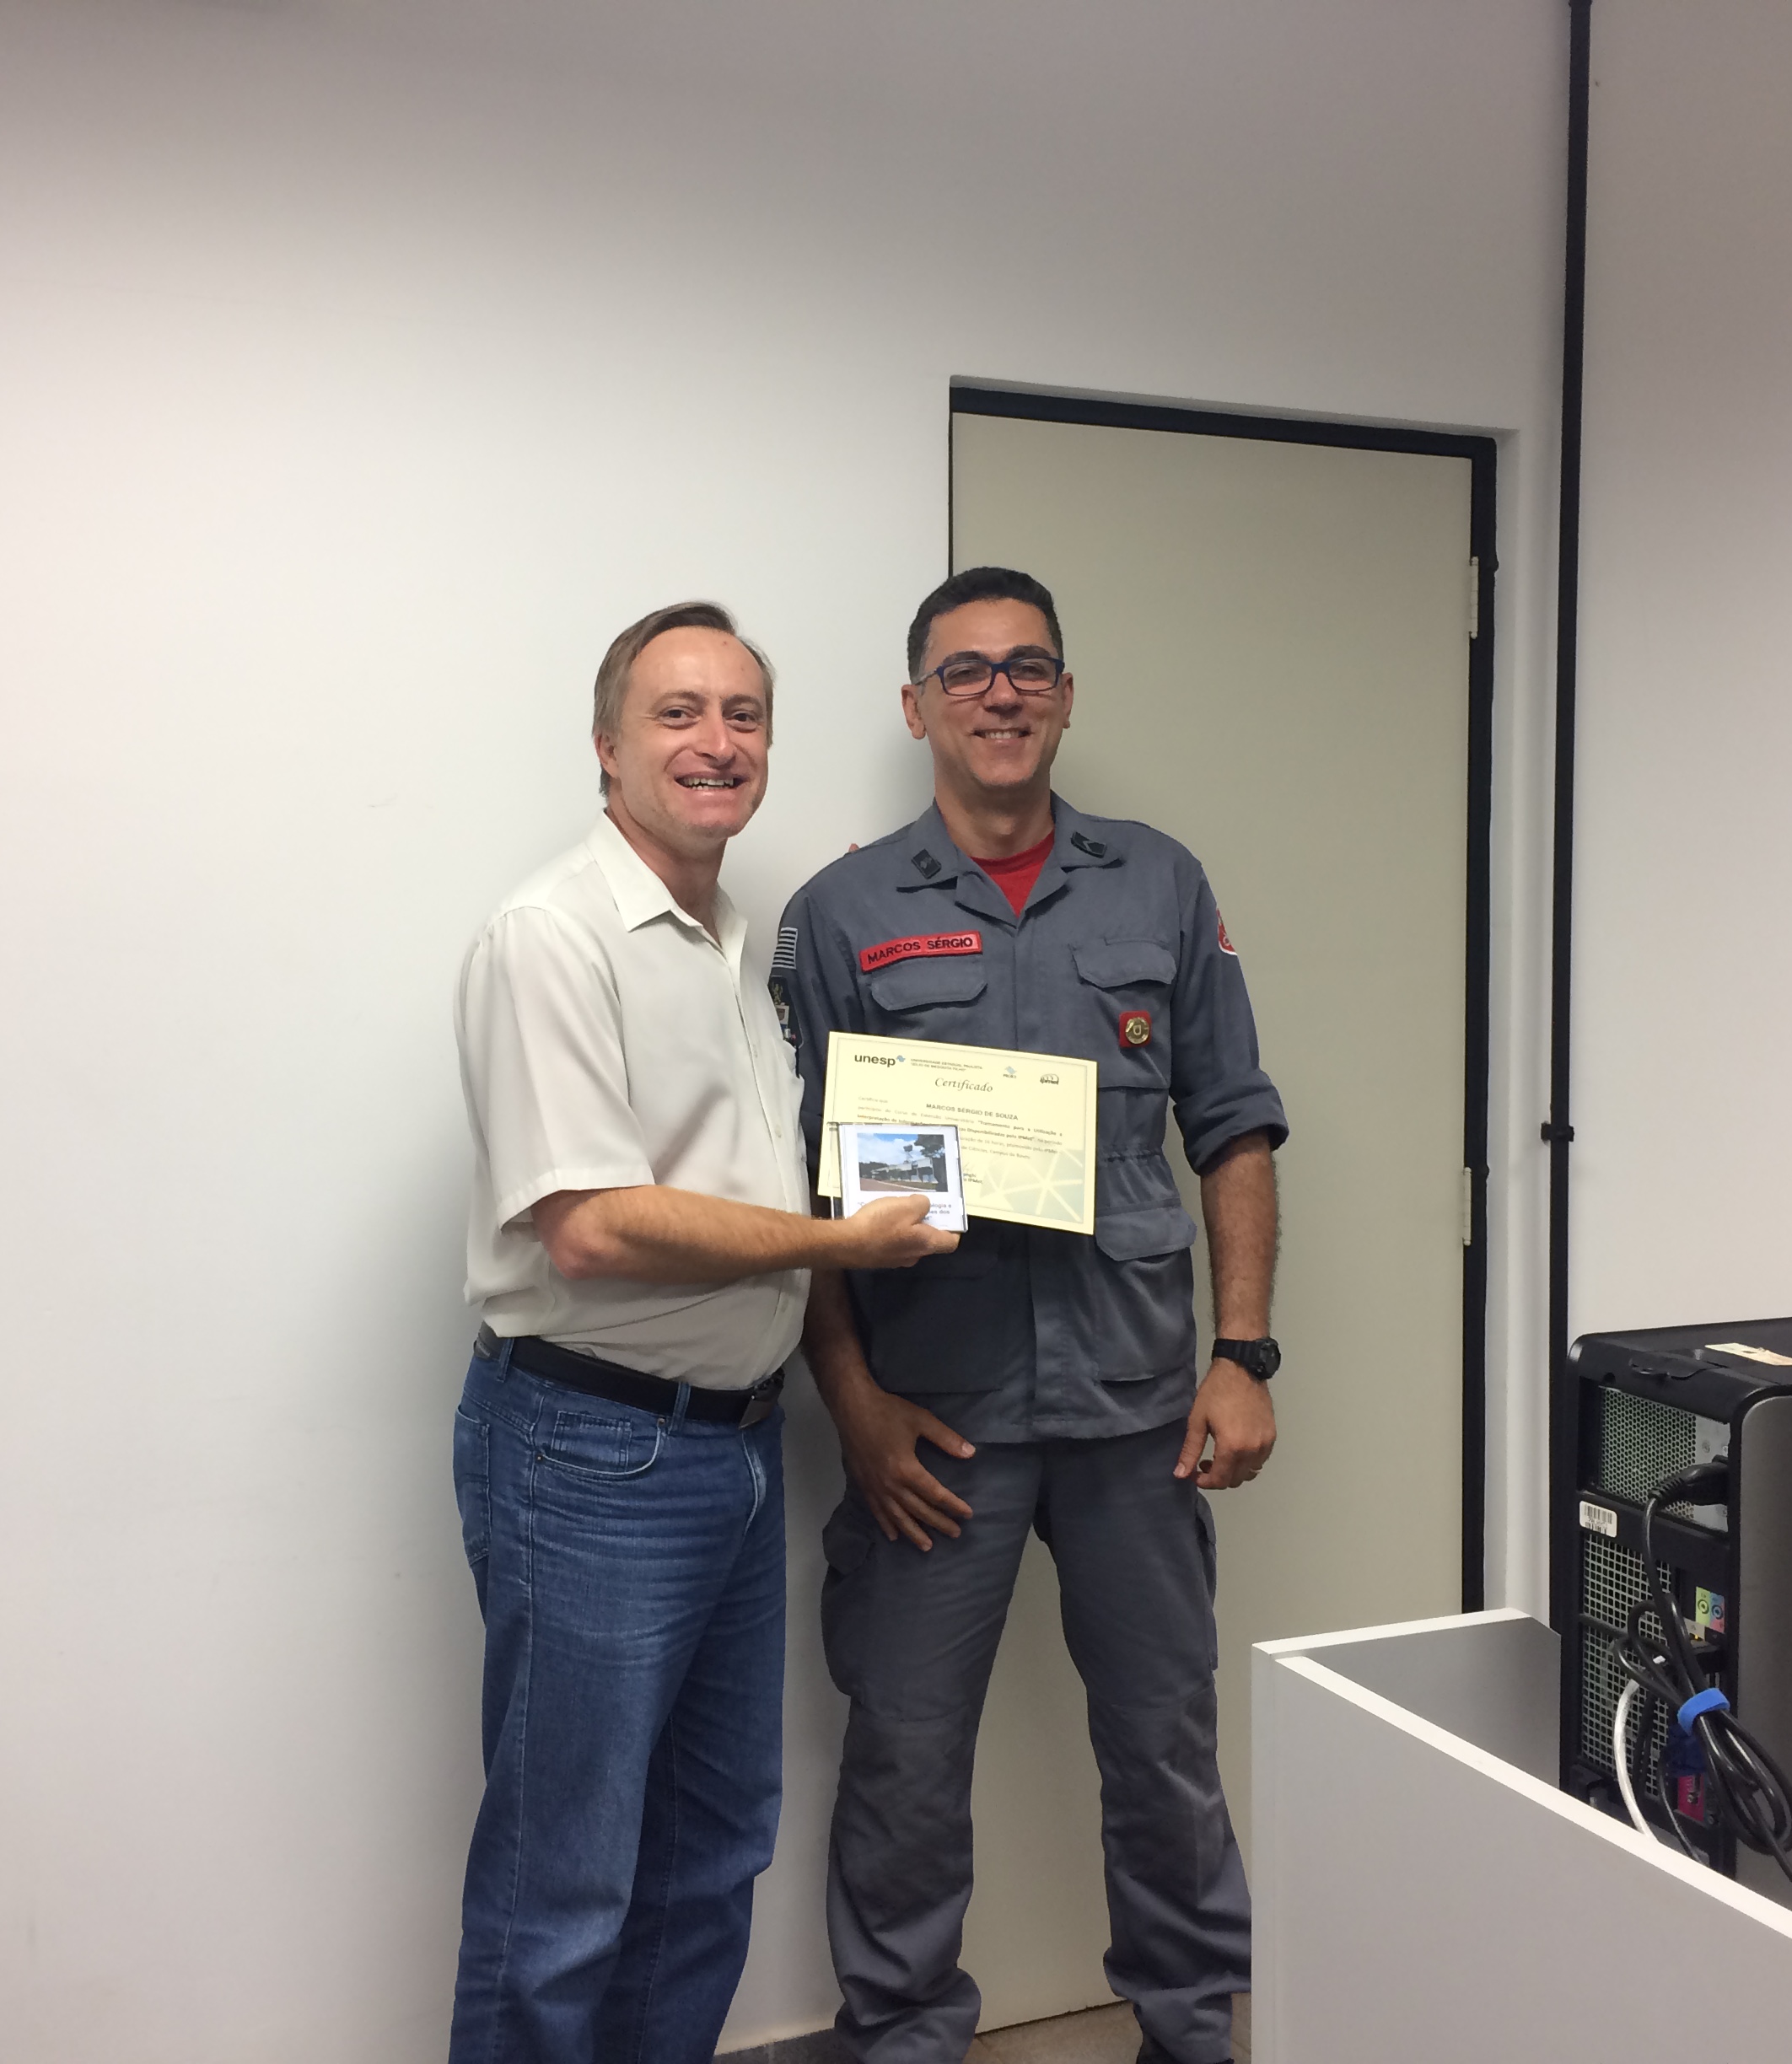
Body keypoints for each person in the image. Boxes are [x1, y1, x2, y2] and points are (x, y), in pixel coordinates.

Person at [772, 567, 1287, 2064]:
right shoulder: (842, 913)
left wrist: (1242, 1356)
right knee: (905, 1763)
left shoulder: (1161, 885)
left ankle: (1192, 2035)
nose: (1000, 692)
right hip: (935, 1429)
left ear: (1065, 696)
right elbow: (800, 1189)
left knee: (1166, 1751)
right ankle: (905, 2037)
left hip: (1137, 1414)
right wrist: (854, 1405)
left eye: (1030, 666)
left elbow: (1234, 1127)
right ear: (916, 705)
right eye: (967, 670)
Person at [448, 600, 956, 2064]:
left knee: (710, 1849)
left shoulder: (734, 945)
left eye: (743, 714)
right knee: (562, 1886)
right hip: (586, 1453)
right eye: (677, 713)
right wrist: (842, 1246)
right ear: (607, 747)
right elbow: (593, 1227)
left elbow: (755, 1174)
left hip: (731, 1453)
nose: (716, 742)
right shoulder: (554, 937)